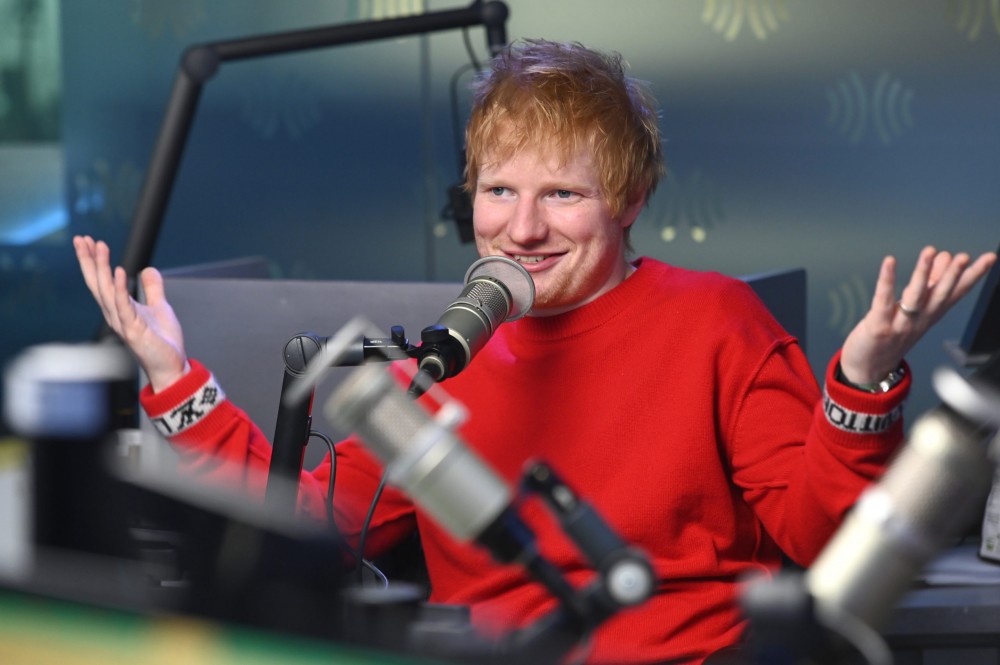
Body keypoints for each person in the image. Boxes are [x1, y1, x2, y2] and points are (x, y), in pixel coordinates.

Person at [74, 39, 996, 665]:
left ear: (628, 199)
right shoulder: (438, 362)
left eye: (561, 194)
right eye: (499, 190)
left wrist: (864, 379)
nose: (520, 228)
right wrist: (172, 376)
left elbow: (819, 539)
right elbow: (297, 515)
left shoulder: (716, 321)